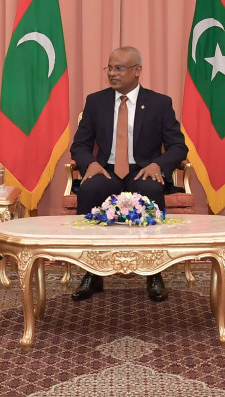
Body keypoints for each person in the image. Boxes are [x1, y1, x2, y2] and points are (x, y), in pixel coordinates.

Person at [69, 46, 188, 302]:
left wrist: (158, 165)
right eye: (110, 68)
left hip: (142, 170)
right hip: (107, 169)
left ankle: (154, 273)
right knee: (89, 189)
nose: (112, 73)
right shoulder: (96, 101)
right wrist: (90, 163)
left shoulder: (159, 103)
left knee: (151, 189)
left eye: (119, 68)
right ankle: (92, 273)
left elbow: (179, 146)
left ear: (137, 71)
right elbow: (79, 145)